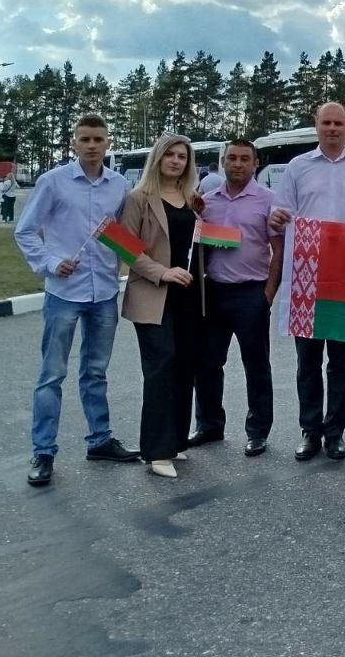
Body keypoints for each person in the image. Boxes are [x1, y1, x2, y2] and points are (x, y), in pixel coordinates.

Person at [14, 113, 138, 487]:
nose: (91, 145)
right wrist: (50, 263)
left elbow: (122, 236)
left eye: (98, 139)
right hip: (64, 294)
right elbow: (25, 232)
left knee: (95, 372)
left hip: (103, 292)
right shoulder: (53, 182)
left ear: (108, 143)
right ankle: (43, 451)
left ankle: (99, 440)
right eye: (84, 139)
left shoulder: (119, 185)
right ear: (73, 143)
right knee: (52, 375)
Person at [269, 102, 345, 461]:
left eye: (338, 123)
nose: (332, 128)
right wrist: (277, 216)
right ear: (316, 126)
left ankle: (335, 432)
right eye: (326, 122)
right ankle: (310, 430)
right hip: (305, 277)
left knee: (341, 360)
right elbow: (278, 214)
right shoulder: (297, 167)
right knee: (308, 360)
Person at [121, 133, 206, 479]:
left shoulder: (192, 199)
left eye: (182, 157)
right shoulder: (138, 198)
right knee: (160, 367)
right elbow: (125, 247)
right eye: (169, 154)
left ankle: (173, 441)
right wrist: (162, 272)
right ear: (157, 158)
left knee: (185, 365)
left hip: (188, 295)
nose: (175, 161)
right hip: (152, 294)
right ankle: (155, 451)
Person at [189, 140, 281, 456]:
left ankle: (257, 431)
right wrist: (195, 216)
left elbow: (278, 249)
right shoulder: (206, 201)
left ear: (255, 163)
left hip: (251, 293)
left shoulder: (268, 200)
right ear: (223, 162)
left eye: (244, 159)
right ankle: (209, 425)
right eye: (231, 158)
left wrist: (268, 293)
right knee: (208, 363)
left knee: (256, 365)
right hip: (214, 292)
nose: (237, 164)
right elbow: (198, 244)